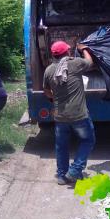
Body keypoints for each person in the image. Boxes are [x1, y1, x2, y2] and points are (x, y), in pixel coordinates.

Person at [43, 41, 97, 185]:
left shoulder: (48, 70)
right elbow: (90, 62)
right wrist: (83, 49)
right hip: (79, 114)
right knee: (88, 140)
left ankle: (61, 175)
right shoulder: (75, 64)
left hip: (60, 116)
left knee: (62, 146)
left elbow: (47, 91)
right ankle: (74, 170)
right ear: (66, 52)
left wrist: (55, 98)